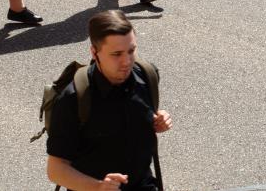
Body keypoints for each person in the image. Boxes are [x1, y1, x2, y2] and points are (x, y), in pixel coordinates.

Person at [46, 10, 172, 190]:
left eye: (131, 51)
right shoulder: (74, 99)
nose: (127, 61)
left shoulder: (147, 76)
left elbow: (141, 115)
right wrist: (98, 187)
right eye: (117, 54)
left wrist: (158, 119)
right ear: (94, 52)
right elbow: (56, 170)